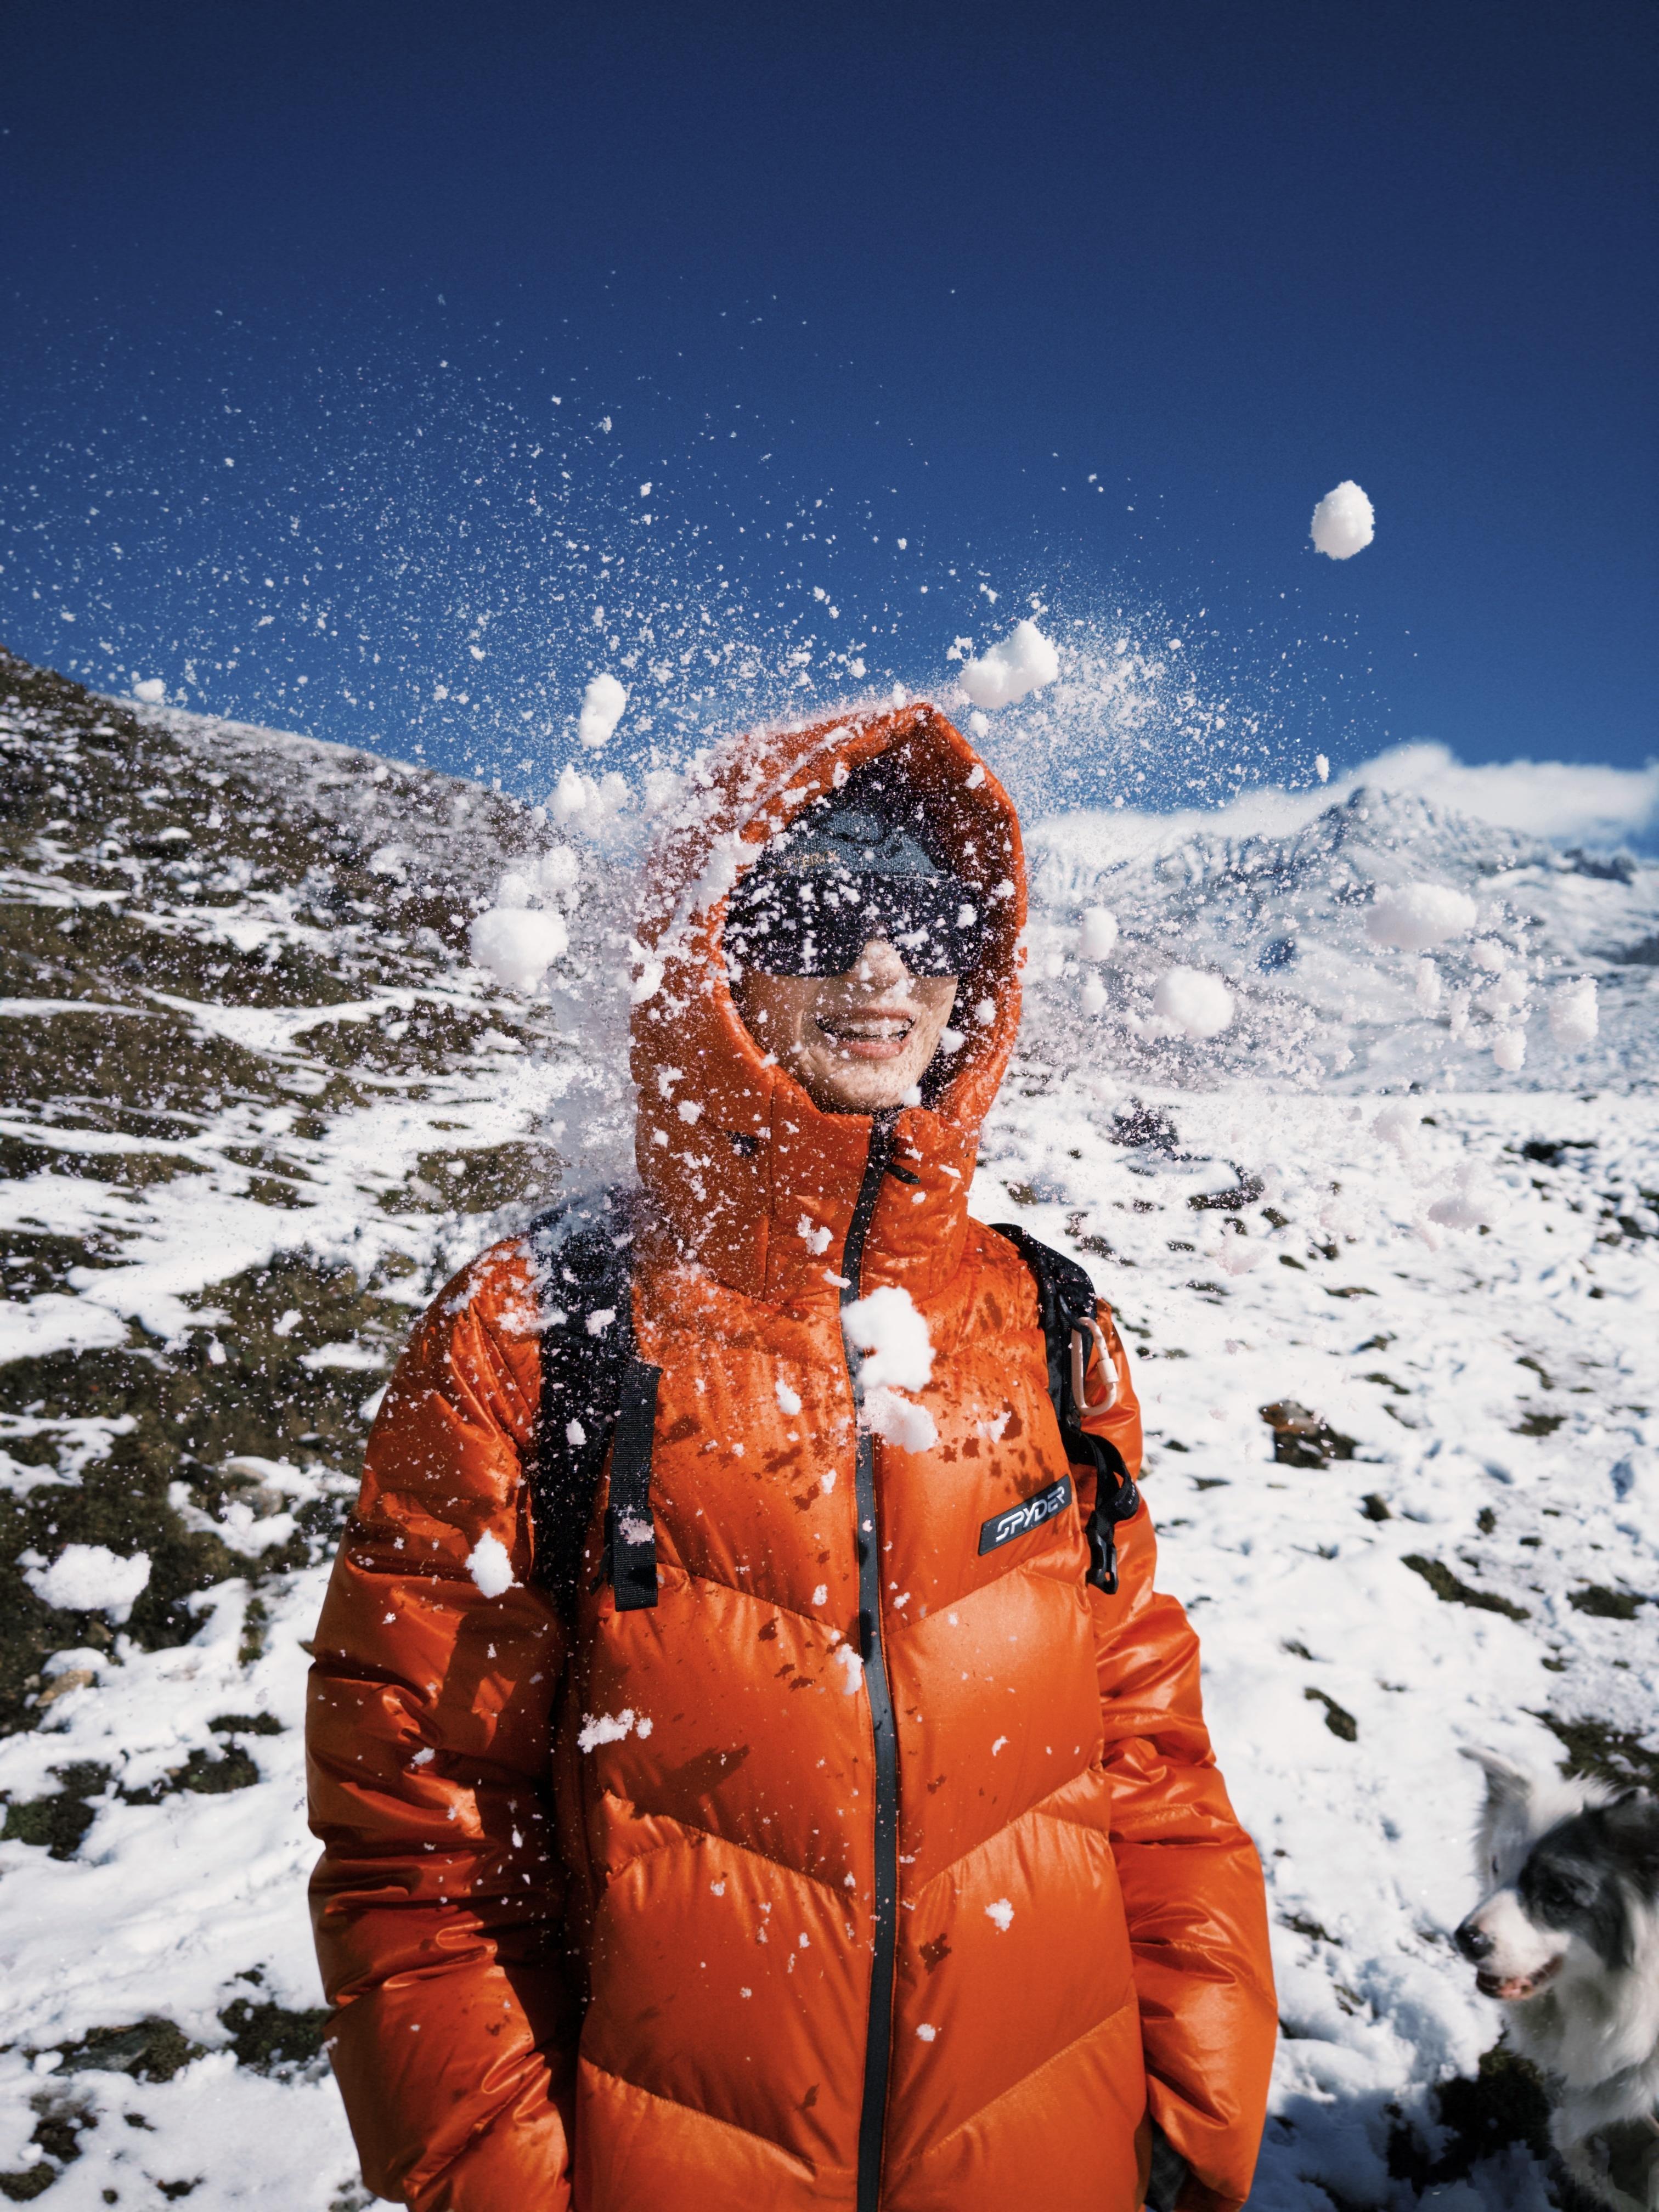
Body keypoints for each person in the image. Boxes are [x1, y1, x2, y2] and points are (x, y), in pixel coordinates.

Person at [305, 702, 1276, 2212]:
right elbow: (419, 1850)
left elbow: (1144, 1746)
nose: (882, 967)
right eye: (816, 912)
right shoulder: (536, 1329)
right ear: (712, 951)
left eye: (930, 918)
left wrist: (1193, 2115)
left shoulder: (1041, 1314)